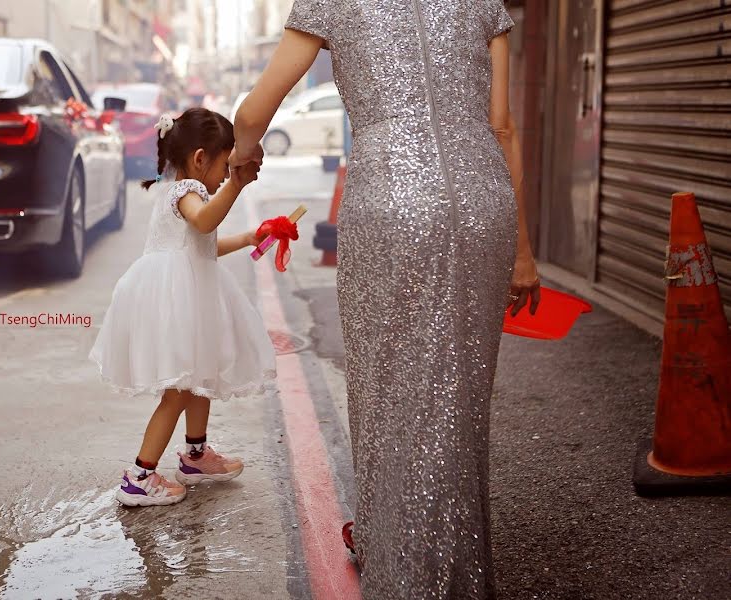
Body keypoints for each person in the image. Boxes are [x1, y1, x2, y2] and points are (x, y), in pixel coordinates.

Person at [232, 0, 541, 597]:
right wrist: (523, 252)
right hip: (483, 202)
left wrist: (245, 154)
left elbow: (254, 112)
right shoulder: (483, 3)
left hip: (389, 203)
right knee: (459, 401)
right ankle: (444, 565)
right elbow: (502, 125)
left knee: (386, 389)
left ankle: (399, 561)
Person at [89, 107, 276, 507]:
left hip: (190, 295)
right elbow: (206, 223)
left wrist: (247, 237)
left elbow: (203, 244)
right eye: (225, 166)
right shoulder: (184, 192)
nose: (227, 175)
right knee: (177, 391)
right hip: (172, 301)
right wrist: (237, 187)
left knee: (200, 375)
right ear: (199, 159)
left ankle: (195, 455)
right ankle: (140, 476)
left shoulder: (191, 192)